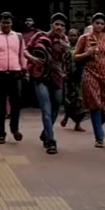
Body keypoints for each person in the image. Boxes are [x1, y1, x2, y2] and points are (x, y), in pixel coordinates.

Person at [27, 13, 70, 155]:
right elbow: (25, 50)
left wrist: (65, 48)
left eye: (62, 25)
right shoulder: (39, 36)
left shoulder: (65, 41)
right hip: (41, 76)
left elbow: (66, 60)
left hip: (57, 77)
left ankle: (46, 131)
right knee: (46, 108)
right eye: (57, 24)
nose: (59, 27)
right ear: (51, 24)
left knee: (56, 107)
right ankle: (51, 141)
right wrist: (32, 59)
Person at [74, 13, 105, 148]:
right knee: (95, 104)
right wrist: (87, 54)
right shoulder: (84, 38)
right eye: (97, 23)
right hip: (90, 73)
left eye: (102, 23)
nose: (99, 26)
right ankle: (99, 137)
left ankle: (97, 125)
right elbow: (75, 56)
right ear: (92, 23)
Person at [0, 12, 26, 144]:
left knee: (16, 104)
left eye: (8, 22)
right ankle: (1, 133)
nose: (5, 25)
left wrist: (24, 69)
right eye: (3, 22)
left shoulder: (19, 37)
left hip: (15, 73)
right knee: (0, 105)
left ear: (11, 23)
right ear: (0, 23)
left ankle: (14, 129)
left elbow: (22, 54)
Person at [60, 28, 87, 132]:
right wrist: (63, 73)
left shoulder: (81, 49)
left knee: (80, 101)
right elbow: (61, 62)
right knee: (69, 100)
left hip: (79, 77)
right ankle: (66, 117)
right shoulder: (64, 48)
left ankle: (78, 123)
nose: (73, 37)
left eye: (75, 35)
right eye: (70, 35)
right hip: (68, 77)